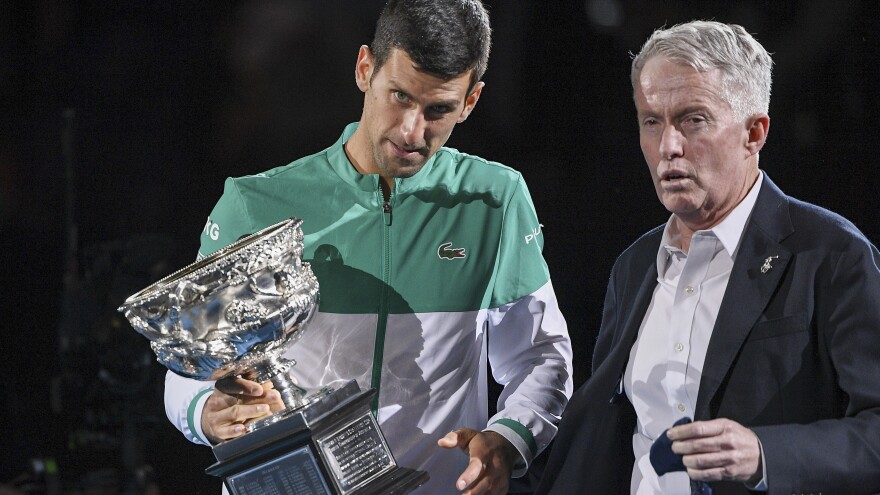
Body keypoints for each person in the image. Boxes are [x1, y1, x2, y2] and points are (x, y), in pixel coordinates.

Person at [164, 1, 573, 494]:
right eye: (399, 96)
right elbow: (186, 364)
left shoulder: (496, 200)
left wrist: (508, 438)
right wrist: (204, 411)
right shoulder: (253, 203)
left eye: (438, 109)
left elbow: (541, 356)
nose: (411, 131)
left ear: (470, 102)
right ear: (364, 69)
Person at [536, 20, 880, 495]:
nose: (668, 147)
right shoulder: (633, 267)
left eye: (692, 120)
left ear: (754, 133)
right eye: (651, 121)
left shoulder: (832, 254)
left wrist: (765, 454)